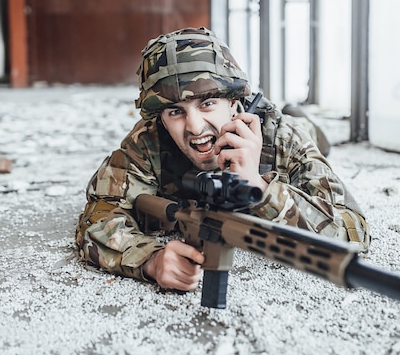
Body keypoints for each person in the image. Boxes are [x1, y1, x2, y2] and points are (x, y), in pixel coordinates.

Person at [75, 27, 370, 292]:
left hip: (299, 130)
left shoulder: (281, 137)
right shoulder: (147, 141)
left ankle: (302, 115)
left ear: (233, 102)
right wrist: (150, 259)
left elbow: (352, 231)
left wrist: (261, 187)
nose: (193, 126)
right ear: (161, 119)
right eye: (176, 111)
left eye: (207, 104)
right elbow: (99, 216)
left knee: (312, 134)